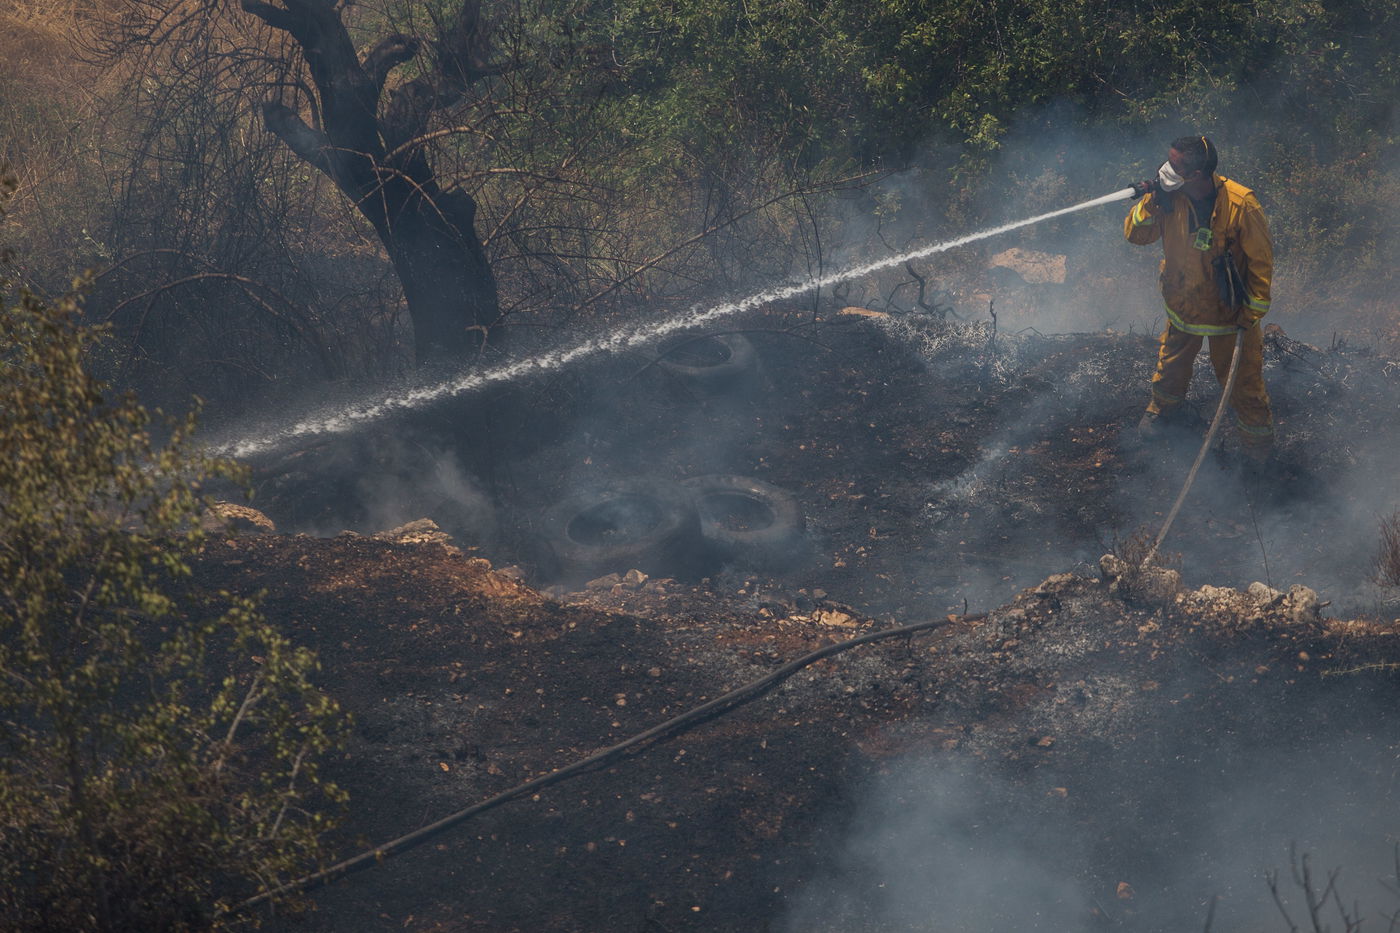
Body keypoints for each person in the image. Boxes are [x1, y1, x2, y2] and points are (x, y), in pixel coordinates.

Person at [1125, 135, 1275, 464]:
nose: (1165, 169)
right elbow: (1136, 236)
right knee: (1171, 368)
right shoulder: (1168, 196)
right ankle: (1162, 413)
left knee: (1243, 385)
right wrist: (1152, 202)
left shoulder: (1241, 204)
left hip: (1229, 313)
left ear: (1195, 174)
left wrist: (1252, 310)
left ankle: (1258, 453)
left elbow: (1261, 261)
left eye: (1174, 165)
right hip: (1183, 306)